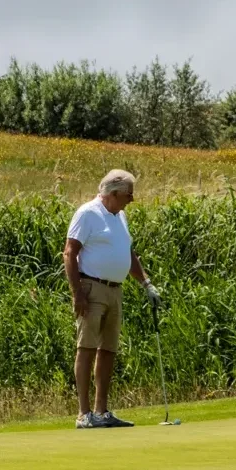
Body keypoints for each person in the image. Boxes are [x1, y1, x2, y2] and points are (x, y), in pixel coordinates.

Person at [64, 169, 161, 429]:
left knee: (108, 350)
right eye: (129, 195)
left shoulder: (120, 216)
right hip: (91, 288)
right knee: (86, 348)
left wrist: (146, 283)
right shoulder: (88, 213)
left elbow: (127, 253)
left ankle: (102, 411)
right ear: (114, 193)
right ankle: (84, 414)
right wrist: (77, 293)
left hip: (115, 290)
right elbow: (70, 253)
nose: (132, 199)